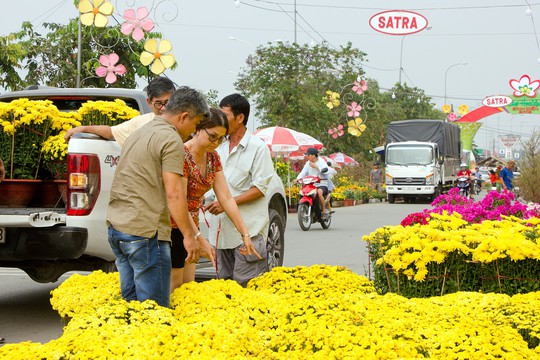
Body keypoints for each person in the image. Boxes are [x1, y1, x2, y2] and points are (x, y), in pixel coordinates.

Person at [107, 86, 213, 308]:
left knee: (132, 307)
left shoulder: (141, 131)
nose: (193, 132)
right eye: (195, 125)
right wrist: (188, 236)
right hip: (146, 233)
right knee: (153, 312)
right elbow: (174, 193)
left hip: (118, 227)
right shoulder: (171, 139)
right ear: (184, 116)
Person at [170, 108, 259, 291]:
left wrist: (245, 234)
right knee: (175, 286)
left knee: (189, 288)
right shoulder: (182, 154)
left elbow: (226, 197)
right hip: (173, 223)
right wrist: (198, 237)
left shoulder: (212, 157)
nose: (216, 143)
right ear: (198, 128)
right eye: (212, 136)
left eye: (221, 138)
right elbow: (179, 201)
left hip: (191, 225)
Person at [205, 93, 274, 287]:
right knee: (224, 290)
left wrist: (226, 204)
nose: (219, 119)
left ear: (240, 117)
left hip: (248, 233)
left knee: (247, 289)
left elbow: (260, 189)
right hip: (220, 234)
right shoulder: (217, 146)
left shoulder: (258, 148)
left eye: (224, 115)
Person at [64, 77, 176, 144]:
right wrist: (82, 129)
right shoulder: (141, 123)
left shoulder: (183, 121)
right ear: (149, 102)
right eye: (158, 103)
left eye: (167, 103)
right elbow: (111, 132)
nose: (163, 108)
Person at [296, 147, 329, 217]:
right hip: (311, 184)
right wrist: (297, 179)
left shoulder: (322, 161)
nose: (307, 156)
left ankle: (324, 210)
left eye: (308, 155)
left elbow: (326, 171)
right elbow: (303, 172)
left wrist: (316, 166)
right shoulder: (308, 163)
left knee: (319, 192)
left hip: (321, 183)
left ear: (313, 155)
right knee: (303, 192)